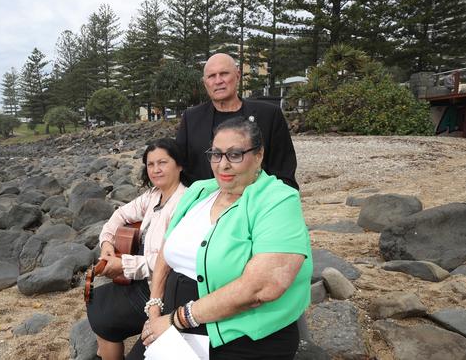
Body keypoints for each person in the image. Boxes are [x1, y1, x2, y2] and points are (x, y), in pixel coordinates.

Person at [129, 117, 312, 359]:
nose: (222, 165)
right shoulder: (199, 191)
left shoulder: (277, 199)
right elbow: (167, 246)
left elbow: (262, 287)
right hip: (174, 324)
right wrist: (154, 308)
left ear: (258, 155)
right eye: (216, 154)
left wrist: (177, 320)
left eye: (234, 154)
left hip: (240, 334)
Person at [86, 138, 188, 360]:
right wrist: (106, 245)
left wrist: (124, 264)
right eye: (150, 164)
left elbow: (168, 260)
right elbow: (120, 215)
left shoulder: (184, 202)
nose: (156, 169)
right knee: (96, 300)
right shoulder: (153, 196)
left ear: (179, 165)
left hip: (164, 291)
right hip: (142, 280)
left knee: (103, 314)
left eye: (162, 162)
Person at [176, 53, 298, 190]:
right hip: (205, 205)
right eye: (212, 76)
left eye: (224, 73)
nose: (218, 81)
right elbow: (179, 171)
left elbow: (284, 173)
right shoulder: (191, 118)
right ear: (205, 82)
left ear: (238, 75)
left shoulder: (269, 115)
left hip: (256, 205)